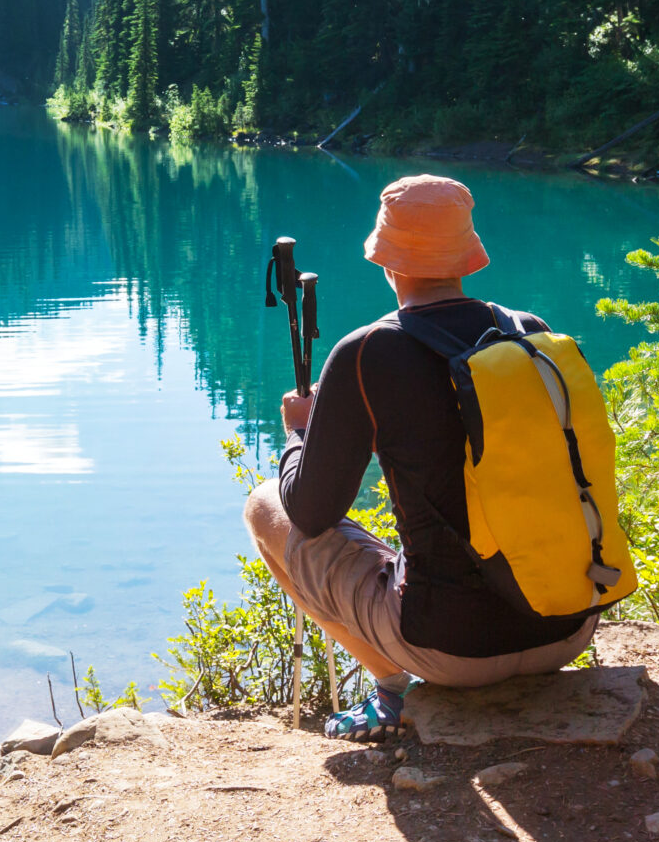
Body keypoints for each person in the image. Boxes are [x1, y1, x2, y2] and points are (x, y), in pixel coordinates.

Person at [244, 173, 602, 742]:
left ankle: (393, 685)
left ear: (387, 261)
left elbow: (309, 515)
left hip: (450, 649)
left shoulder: (368, 351)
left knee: (265, 506)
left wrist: (298, 434)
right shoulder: (528, 333)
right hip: (565, 628)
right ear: (466, 256)